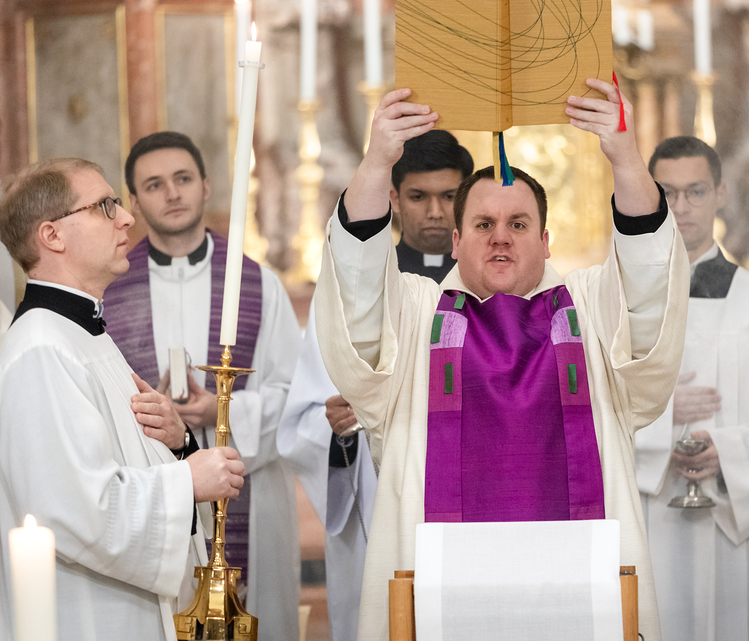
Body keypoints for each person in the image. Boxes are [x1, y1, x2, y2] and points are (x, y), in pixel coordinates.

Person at [314, 81, 689, 641]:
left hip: (578, 591)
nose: (500, 239)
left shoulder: (593, 309)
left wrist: (626, 157)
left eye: (518, 224)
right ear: (456, 240)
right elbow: (357, 282)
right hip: (438, 595)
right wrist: (376, 163)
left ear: (546, 239)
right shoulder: (414, 315)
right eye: (484, 225)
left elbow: (648, 275)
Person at [0, 159, 245, 641]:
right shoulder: (41, 349)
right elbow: (71, 509)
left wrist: (177, 444)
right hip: (89, 617)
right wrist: (187, 481)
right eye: (105, 206)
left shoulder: (82, 333)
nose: (127, 218)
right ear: (52, 236)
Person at [100, 132, 302, 640]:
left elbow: (296, 396)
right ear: (134, 202)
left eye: (183, 179)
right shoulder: (108, 291)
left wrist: (221, 412)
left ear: (206, 186)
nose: (172, 193)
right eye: (154, 184)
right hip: (153, 494)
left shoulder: (259, 284)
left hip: (250, 494)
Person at [277, 130, 473, 641]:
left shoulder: (493, 285)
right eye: (418, 196)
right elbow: (303, 418)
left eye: (449, 196)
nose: (436, 212)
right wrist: (340, 430)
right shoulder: (354, 292)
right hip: (382, 502)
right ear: (393, 198)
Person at [634, 137, 749, 641]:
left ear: (720, 194)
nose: (681, 207)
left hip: (740, 530)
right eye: (666, 193)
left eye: (695, 191)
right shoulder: (619, 305)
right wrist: (658, 418)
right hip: (653, 519)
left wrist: (730, 451)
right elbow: (588, 407)